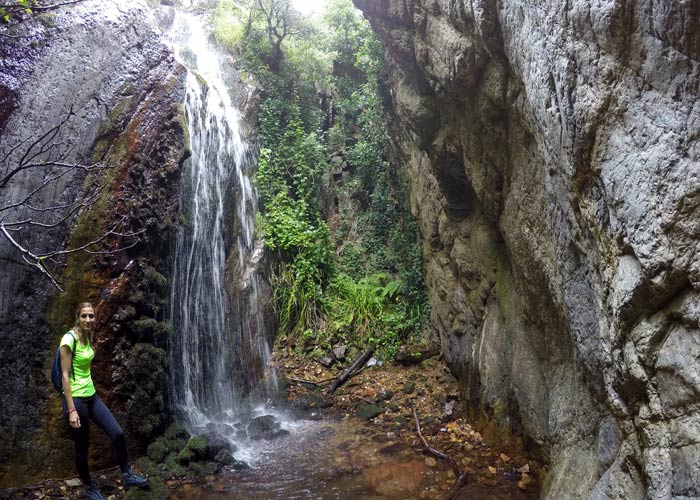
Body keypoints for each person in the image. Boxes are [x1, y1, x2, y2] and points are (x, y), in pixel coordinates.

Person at [60, 302, 149, 500]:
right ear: (78, 317)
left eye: (91, 316)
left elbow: (83, 370)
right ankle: (89, 488)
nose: (88, 320)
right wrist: (72, 410)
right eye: (84, 316)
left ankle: (126, 475)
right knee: (82, 447)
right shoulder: (69, 339)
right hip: (76, 401)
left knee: (117, 433)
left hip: (91, 397)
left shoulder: (88, 336)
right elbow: (65, 376)